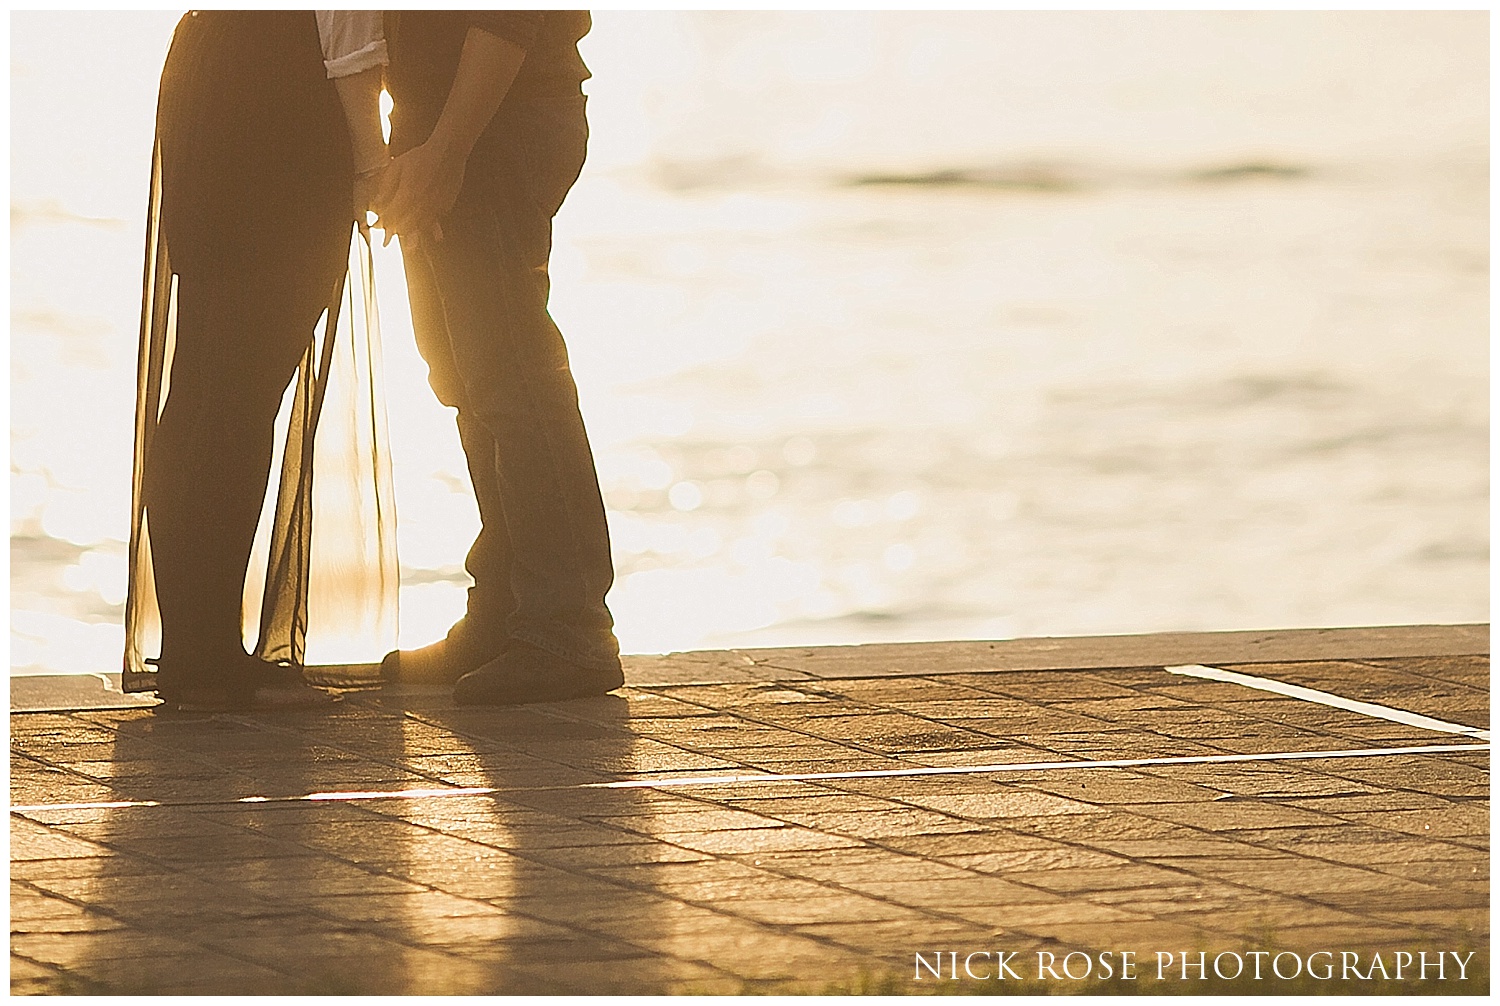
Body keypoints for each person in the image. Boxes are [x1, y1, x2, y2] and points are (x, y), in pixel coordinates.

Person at [123, 11, 396, 711]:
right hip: (280, 102)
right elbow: (348, 37)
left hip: (209, 74)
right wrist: (372, 165)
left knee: (207, 376)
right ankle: (208, 658)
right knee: (241, 382)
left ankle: (195, 648)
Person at [373, 11, 624, 705]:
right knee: (461, 373)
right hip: (439, 123)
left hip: (495, 122)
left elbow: (507, 15)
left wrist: (448, 148)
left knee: (511, 373)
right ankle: (508, 613)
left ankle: (567, 628)